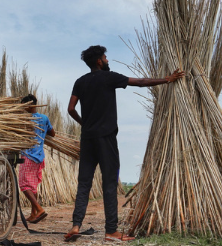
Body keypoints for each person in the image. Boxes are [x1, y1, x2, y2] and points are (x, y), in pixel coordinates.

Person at [64, 45, 184, 242]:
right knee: (109, 183)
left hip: (87, 138)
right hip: (106, 138)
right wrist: (167, 79)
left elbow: (70, 109)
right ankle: (111, 231)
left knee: (84, 183)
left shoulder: (80, 82)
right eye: (105, 57)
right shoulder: (109, 78)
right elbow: (140, 82)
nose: (107, 60)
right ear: (99, 61)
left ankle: (76, 225)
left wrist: (84, 123)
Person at [19, 94, 55, 224]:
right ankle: (33, 214)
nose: (23, 109)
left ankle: (39, 209)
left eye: (24, 106)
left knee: (24, 185)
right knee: (33, 186)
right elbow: (52, 133)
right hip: (39, 157)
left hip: (28, 155)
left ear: (29, 105)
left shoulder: (25, 120)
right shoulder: (44, 118)